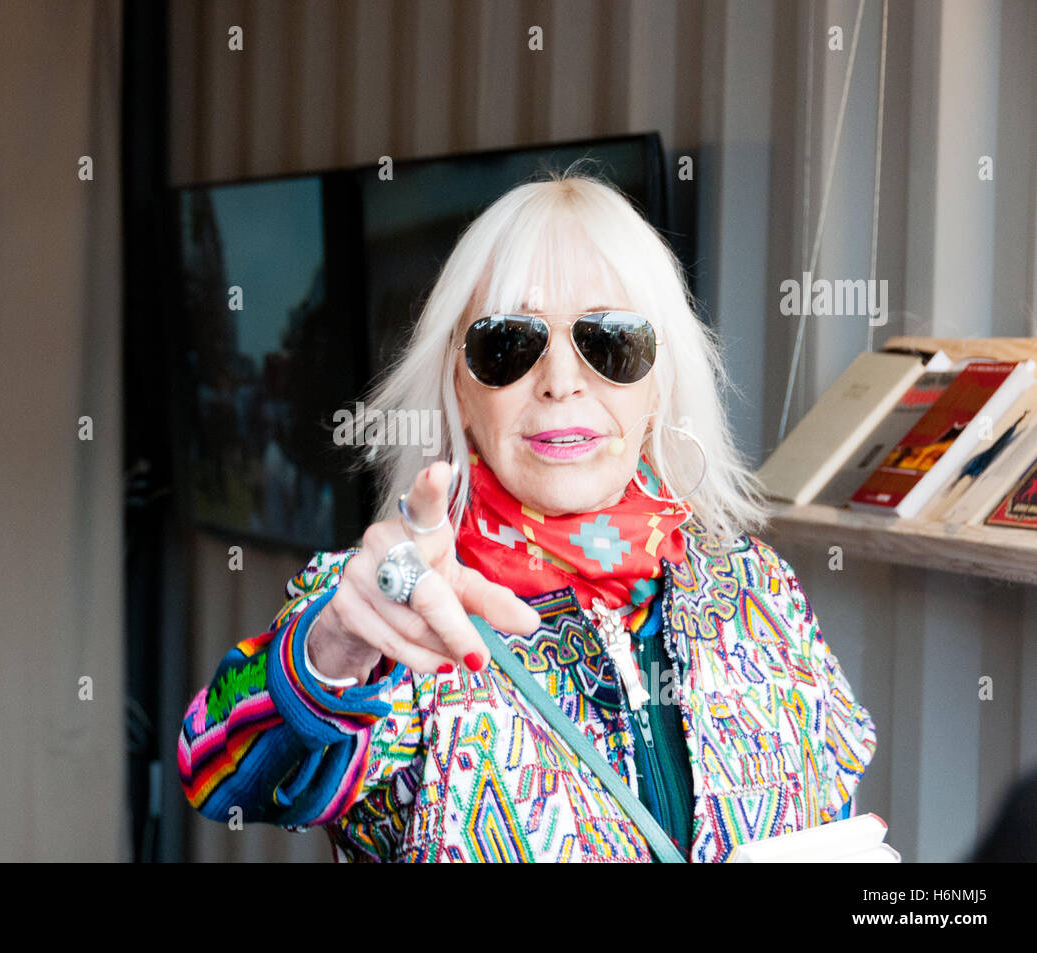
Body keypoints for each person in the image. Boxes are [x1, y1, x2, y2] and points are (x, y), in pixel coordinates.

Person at [178, 169, 877, 862]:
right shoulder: (398, 606)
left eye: (611, 342)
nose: (561, 380)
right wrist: (330, 651)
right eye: (508, 344)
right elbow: (222, 772)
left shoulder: (758, 590)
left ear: (660, 384)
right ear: (458, 386)